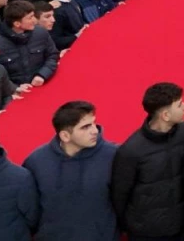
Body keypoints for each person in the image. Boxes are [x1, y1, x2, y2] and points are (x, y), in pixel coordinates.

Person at [111, 82, 184, 241]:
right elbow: (120, 196)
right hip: (146, 233)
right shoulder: (131, 151)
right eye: (179, 104)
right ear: (165, 115)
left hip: (182, 228)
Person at [24, 101, 118, 241]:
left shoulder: (114, 156)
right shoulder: (36, 162)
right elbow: (30, 208)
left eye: (93, 123)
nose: (95, 130)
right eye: (85, 127)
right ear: (65, 136)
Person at [0, 0, 59, 88]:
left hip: (43, 84)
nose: (34, 20)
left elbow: (52, 55)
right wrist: (15, 88)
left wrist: (42, 74)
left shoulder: (40, 33)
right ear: (17, 23)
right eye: (30, 18)